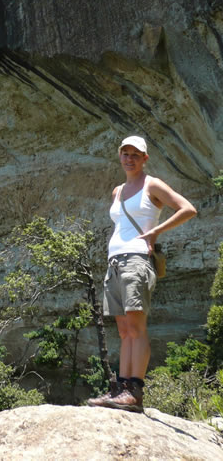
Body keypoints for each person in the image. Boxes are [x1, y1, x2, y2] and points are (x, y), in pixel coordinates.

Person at [88, 135, 197, 413]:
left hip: (137, 261)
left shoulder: (153, 184)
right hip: (115, 263)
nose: (129, 158)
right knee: (124, 331)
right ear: (120, 156)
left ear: (144, 158)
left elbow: (188, 209)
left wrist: (157, 231)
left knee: (137, 329)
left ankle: (135, 391)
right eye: (125, 153)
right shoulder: (117, 191)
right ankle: (120, 389)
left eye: (135, 154)